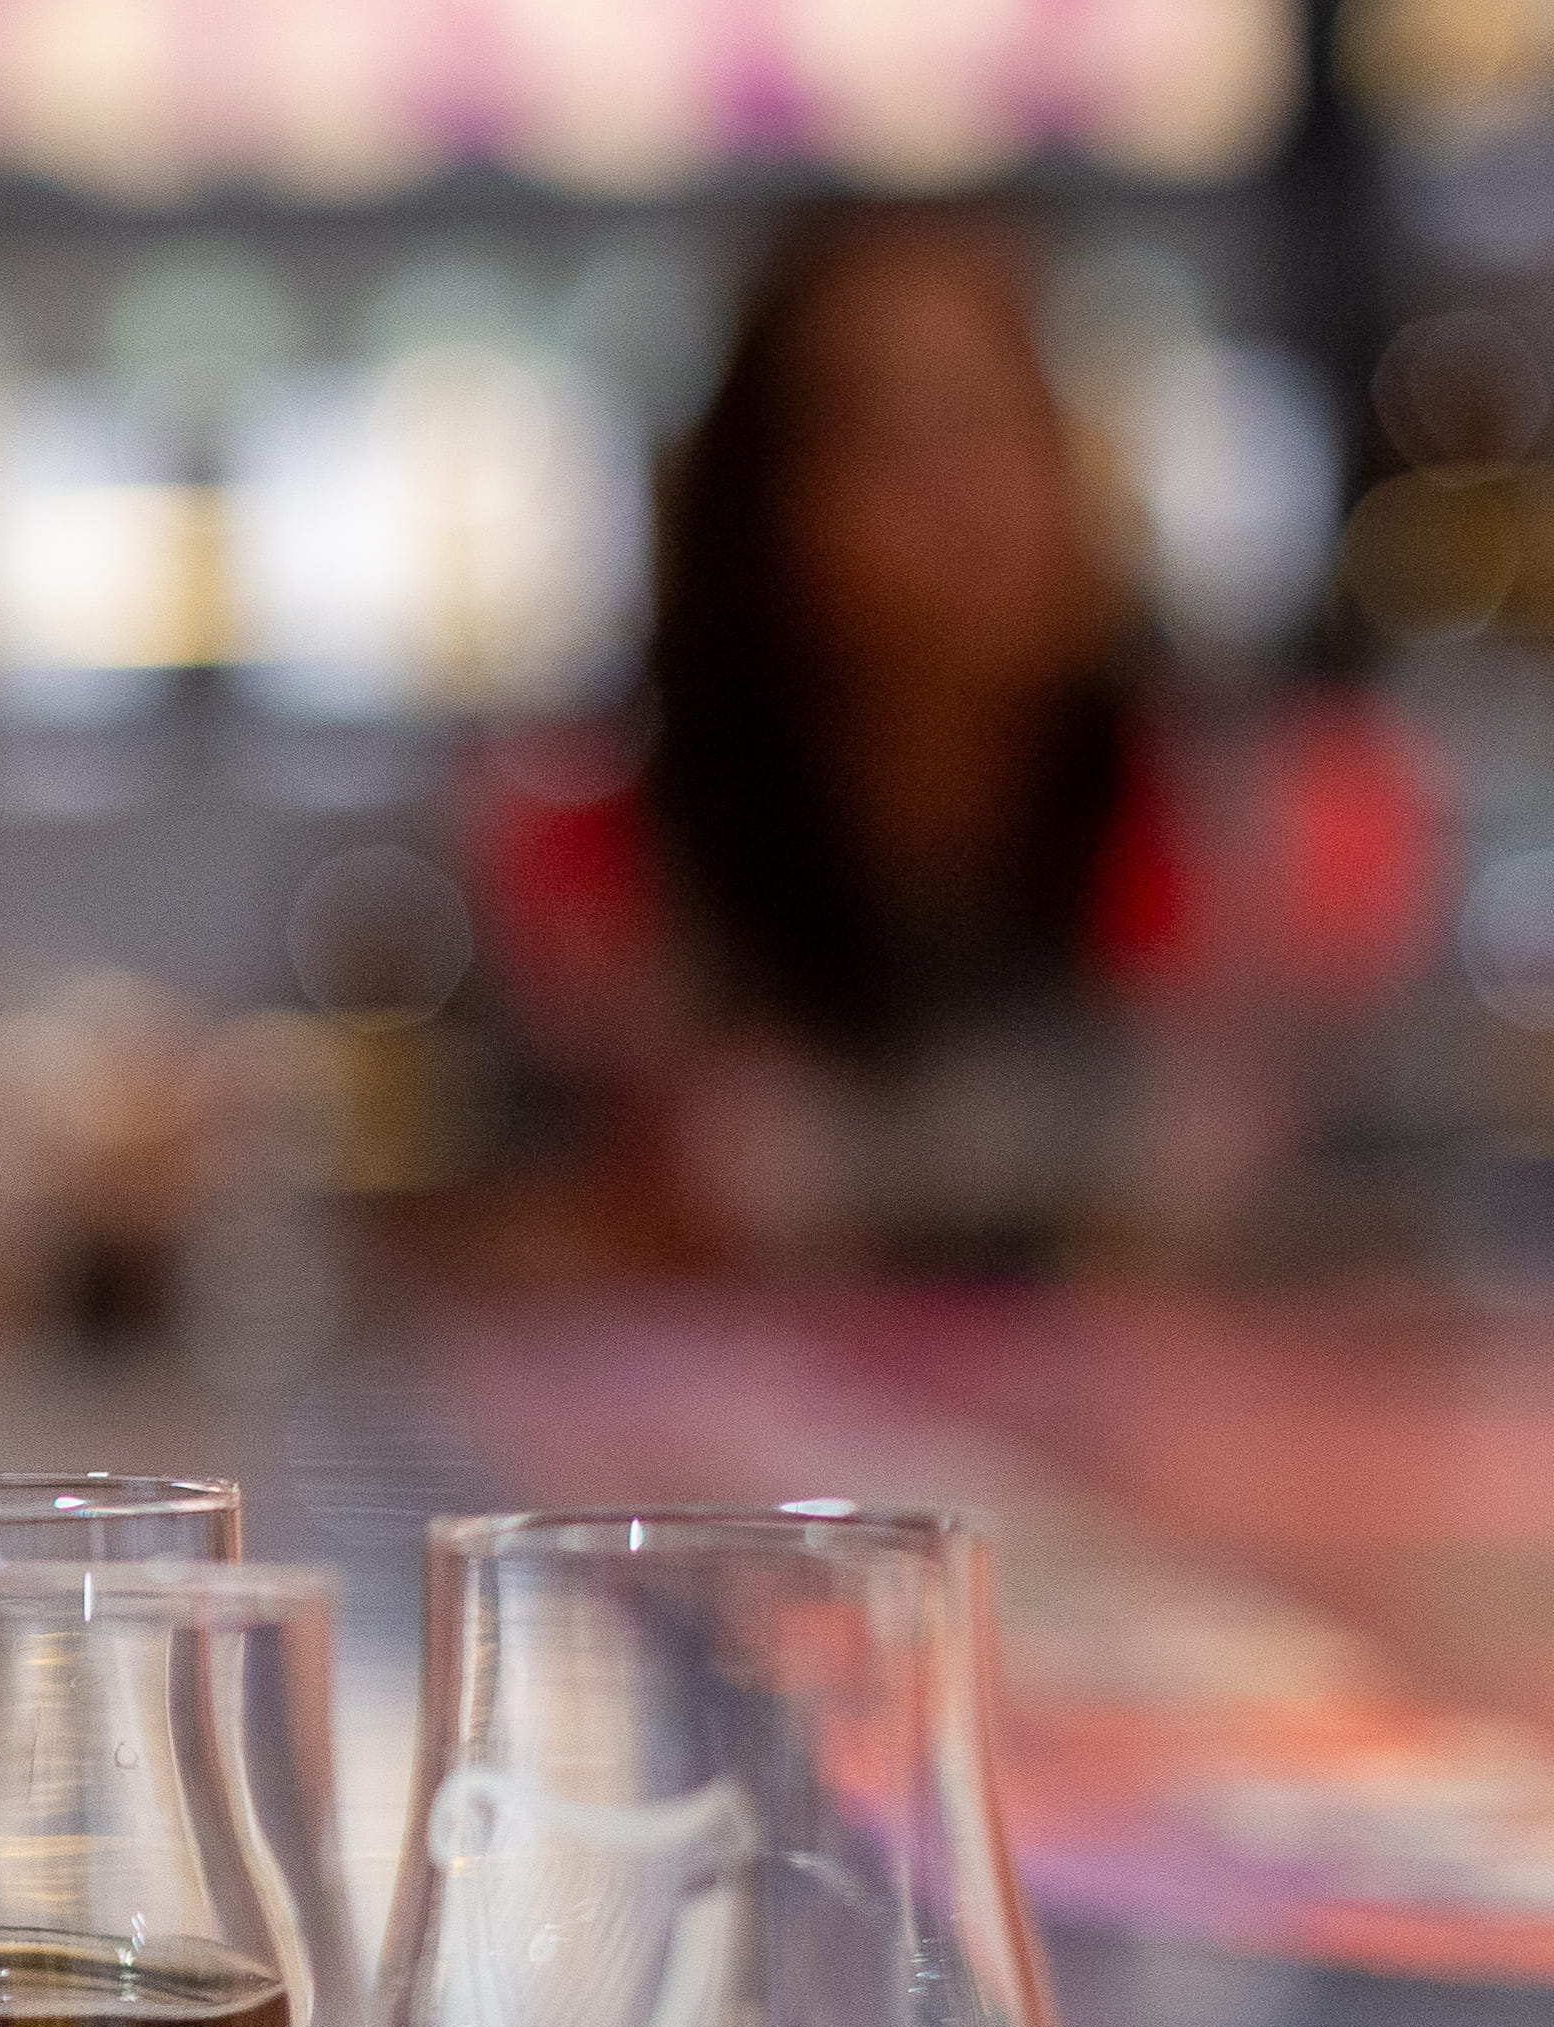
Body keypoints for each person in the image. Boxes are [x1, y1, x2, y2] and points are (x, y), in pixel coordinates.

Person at [472, 207, 1435, 1285]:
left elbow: (1404, 1250)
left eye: (1003, 421)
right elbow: (498, 1263)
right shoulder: (598, 885)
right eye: (886, 439)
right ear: (755, 515)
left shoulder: (1275, 844)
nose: (967, 501)